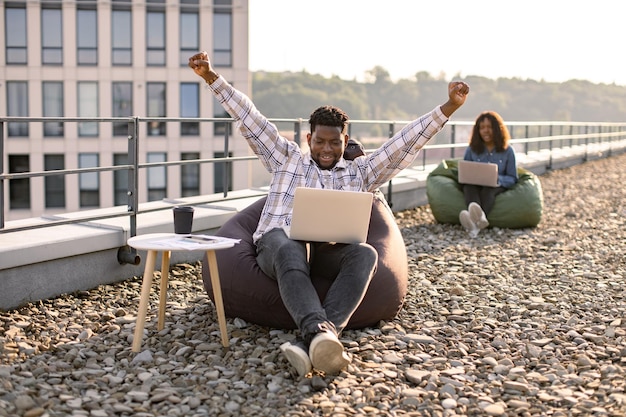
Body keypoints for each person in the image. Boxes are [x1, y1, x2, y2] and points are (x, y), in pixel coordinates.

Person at [188, 51, 469, 376]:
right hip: (277, 249)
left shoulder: (360, 172)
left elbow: (404, 144)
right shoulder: (286, 159)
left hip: (325, 253)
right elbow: (249, 118)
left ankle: (318, 339)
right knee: (289, 243)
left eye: (334, 143)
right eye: (319, 141)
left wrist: (449, 107)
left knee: (364, 254)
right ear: (309, 138)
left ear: (344, 140)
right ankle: (317, 331)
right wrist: (211, 77)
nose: (326, 149)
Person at [459, 111, 518, 238]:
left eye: (489, 127)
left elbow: (513, 177)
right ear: (478, 131)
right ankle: (480, 221)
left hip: (496, 185)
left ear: (497, 129)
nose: (486, 131)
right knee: (468, 187)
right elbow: (465, 170)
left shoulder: (508, 151)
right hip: (474, 184)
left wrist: (497, 179)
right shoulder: (471, 149)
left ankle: (474, 224)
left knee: (488, 189)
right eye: (482, 128)